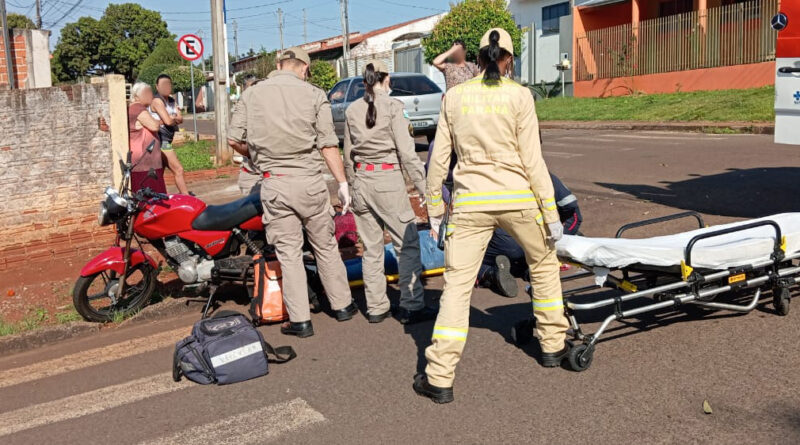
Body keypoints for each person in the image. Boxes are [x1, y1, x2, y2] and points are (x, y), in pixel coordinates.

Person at [414, 28, 571, 404]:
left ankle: (439, 377)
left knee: (456, 287)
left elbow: (438, 161)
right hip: (519, 199)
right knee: (544, 267)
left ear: (479, 59)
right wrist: (550, 211)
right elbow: (533, 159)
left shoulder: (455, 97)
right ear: (509, 60)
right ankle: (552, 346)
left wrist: (435, 209)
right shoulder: (519, 96)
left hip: (471, 205)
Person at [227, 47, 357, 338]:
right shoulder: (313, 94)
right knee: (325, 246)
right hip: (310, 182)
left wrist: (259, 155)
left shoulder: (252, 94)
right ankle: (343, 306)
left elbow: (234, 139)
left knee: (289, 253)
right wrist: (343, 184)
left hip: (274, 183)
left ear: (278, 64)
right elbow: (327, 145)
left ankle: (300, 321)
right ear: (304, 68)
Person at [342, 60, 437, 325]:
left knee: (371, 249)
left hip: (361, 180)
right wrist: (425, 190)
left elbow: (348, 155)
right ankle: (411, 304)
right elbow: (408, 154)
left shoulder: (351, 110)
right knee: (405, 244)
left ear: (364, 82)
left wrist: (352, 185)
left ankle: (376, 307)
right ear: (388, 81)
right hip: (388, 180)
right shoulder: (394, 107)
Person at [478, 173, 582, 297]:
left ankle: (487, 273)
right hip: (539, 241)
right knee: (534, 260)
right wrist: (559, 237)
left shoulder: (490, 175)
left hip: (508, 242)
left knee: (463, 257)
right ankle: (529, 271)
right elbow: (572, 210)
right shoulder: (542, 173)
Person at [149, 74, 189, 195]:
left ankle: (156, 197)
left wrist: (173, 118)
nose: (166, 87)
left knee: (159, 173)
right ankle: (187, 198)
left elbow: (180, 119)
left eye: (168, 84)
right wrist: (173, 118)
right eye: (163, 85)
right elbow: (168, 121)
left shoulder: (171, 100)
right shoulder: (157, 101)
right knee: (178, 169)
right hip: (161, 140)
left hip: (167, 139)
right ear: (157, 86)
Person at [128, 82, 166, 194]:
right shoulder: (137, 108)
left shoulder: (136, 108)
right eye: (147, 93)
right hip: (144, 163)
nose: (151, 95)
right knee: (150, 198)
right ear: (136, 96)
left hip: (146, 162)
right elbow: (154, 126)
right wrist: (157, 122)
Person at [233, 74, 262, 196]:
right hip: (252, 176)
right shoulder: (241, 113)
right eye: (250, 89)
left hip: (268, 176)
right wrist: (251, 155)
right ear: (244, 90)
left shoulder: (265, 110)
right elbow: (234, 142)